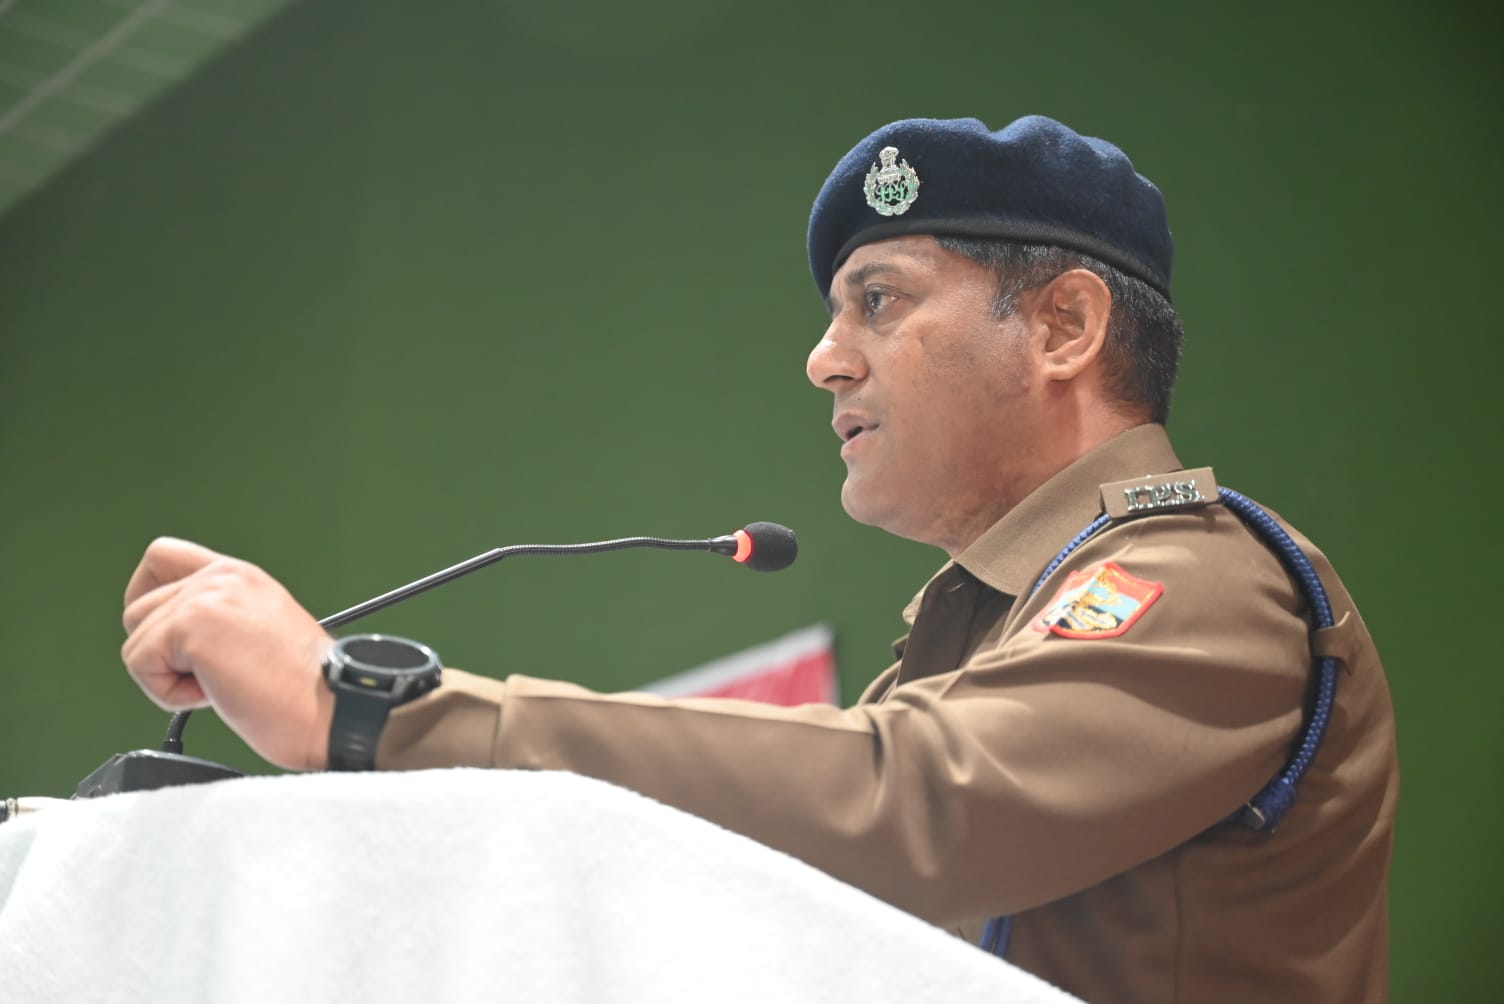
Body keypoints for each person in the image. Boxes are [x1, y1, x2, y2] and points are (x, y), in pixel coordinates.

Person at [120, 115, 1398, 1002]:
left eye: (879, 299)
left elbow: (921, 801)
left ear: (1063, 324)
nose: (824, 358)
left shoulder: (1203, 572)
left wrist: (377, 712)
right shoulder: (975, 631)